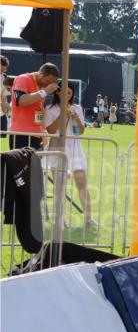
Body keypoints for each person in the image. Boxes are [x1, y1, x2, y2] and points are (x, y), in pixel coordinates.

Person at [42, 83, 97, 228]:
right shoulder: (50, 109)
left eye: (70, 93)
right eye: (64, 92)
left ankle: (88, 218)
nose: (67, 95)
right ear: (58, 92)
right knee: (60, 187)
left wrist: (77, 118)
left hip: (75, 149)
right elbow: (50, 130)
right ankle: (61, 219)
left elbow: (80, 131)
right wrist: (62, 116)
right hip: (57, 148)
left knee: (82, 184)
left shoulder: (77, 107)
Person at [10, 62, 60, 150]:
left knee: (35, 164)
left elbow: (39, 109)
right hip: (21, 134)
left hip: (37, 135)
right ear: (41, 74)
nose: (48, 85)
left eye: (51, 83)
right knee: (20, 163)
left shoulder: (41, 86)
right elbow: (20, 101)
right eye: (48, 81)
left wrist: (43, 131)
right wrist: (45, 91)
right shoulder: (23, 79)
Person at [1, 55, 10, 133]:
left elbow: (4, 97)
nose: (1, 72)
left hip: (1, 115)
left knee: (3, 137)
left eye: (3, 70)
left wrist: (5, 111)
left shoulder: (4, 78)